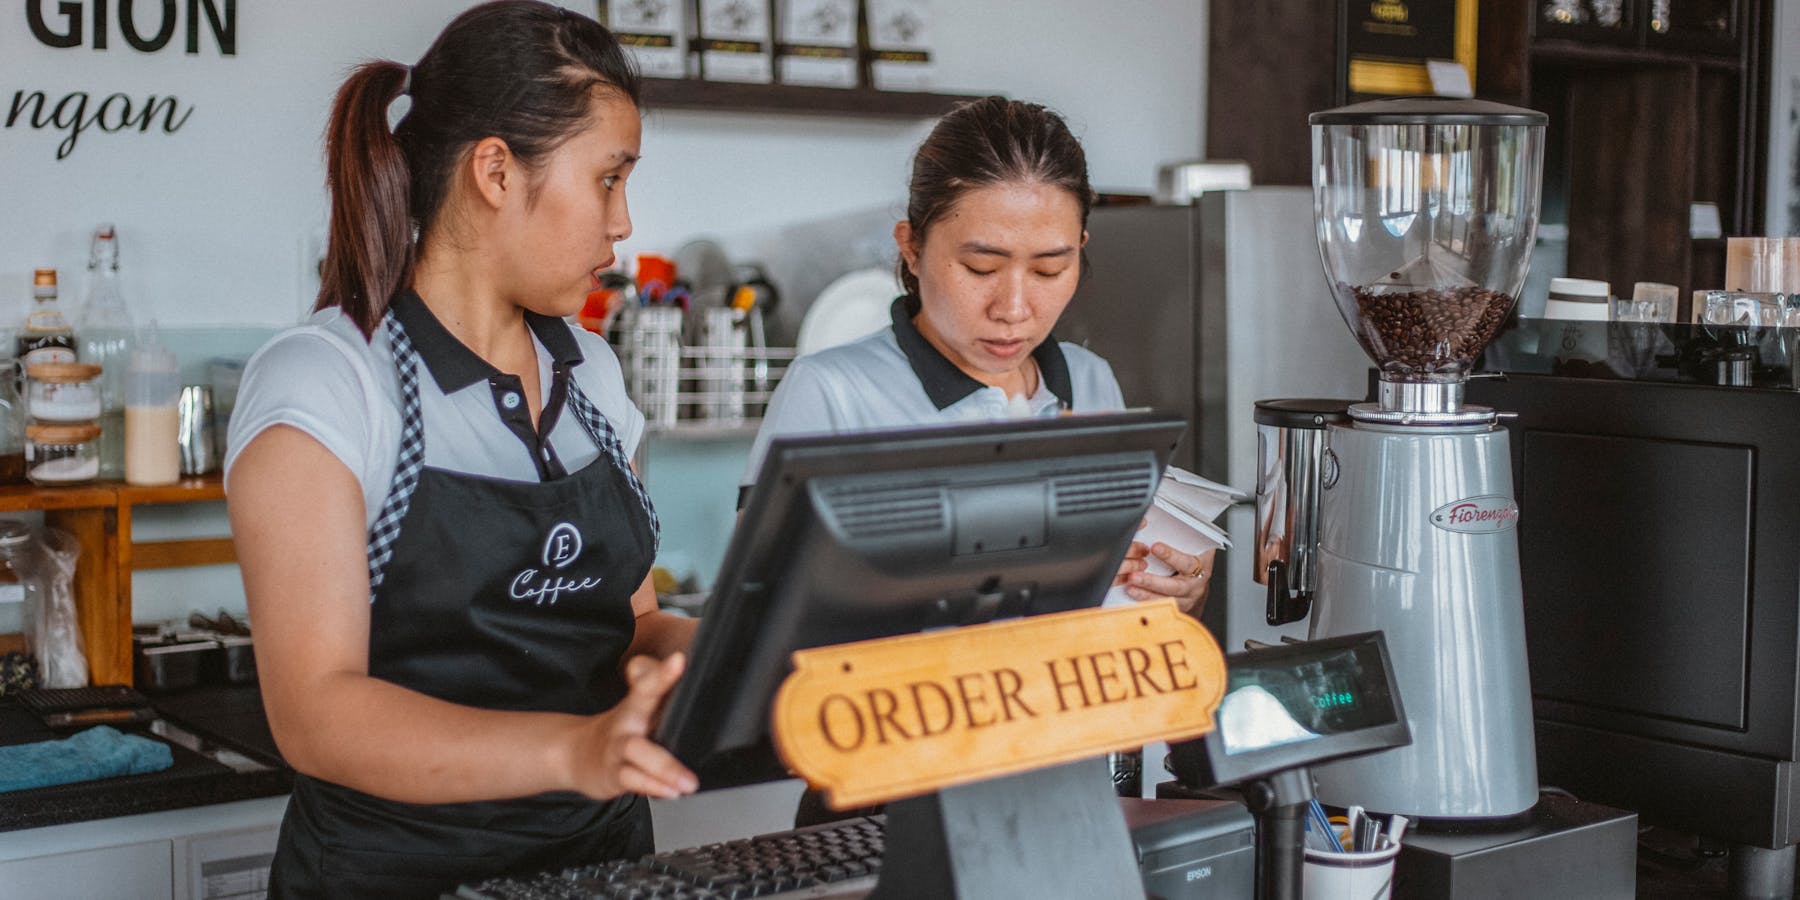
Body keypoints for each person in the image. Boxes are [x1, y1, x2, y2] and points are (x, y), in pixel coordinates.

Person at [224, 5, 695, 897]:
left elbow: (629, 624)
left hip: (604, 868)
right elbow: (316, 712)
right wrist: (574, 748)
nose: (624, 221)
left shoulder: (590, 373)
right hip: (397, 875)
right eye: (608, 179)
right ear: (494, 171)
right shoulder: (330, 383)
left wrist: (728, 654)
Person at [744, 96, 1215, 612]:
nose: (1014, 309)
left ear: (1079, 248)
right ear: (912, 248)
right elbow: (764, 610)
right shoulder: (831, 393)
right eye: (981, 269)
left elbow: (1109, 599)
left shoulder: (1088, 381)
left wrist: (1167, 588)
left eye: (1049, 271)